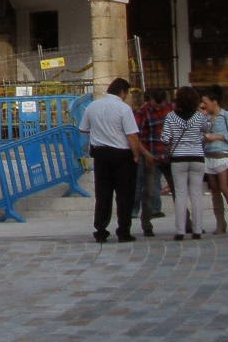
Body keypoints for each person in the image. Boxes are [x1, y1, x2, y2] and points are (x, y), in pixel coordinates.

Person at [77, 77, 146, 244]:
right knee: (125, 195)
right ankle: (124, 230)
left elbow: (83, 129)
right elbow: (131, 135)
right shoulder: (123, 108)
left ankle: (100, 230)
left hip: (101, 155)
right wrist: (136, 155)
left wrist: (101, 131)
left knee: (103, 194)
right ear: (122, 92)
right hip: (122, 155)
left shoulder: (93, 106)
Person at [161, 85, 210, 240]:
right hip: (197, 157)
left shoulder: (171, 116)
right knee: (196, 194)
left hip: (178, 158)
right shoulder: (199, 117)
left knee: (180, 194)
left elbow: (165, 138)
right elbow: (207, 128)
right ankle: (197, 229)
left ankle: (180, 230)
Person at [201, 86, 228, 235]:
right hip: (209, 156)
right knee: (214, 190)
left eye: (206, 102)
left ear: (214, 102)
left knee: (225, 188)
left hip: (222, 156)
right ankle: (220, 222)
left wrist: (218, 137)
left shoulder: (226, 116)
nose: (204, 105)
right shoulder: (205, 118)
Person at [135, 89, 173, 237]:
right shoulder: (143, 112)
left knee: (177, 190)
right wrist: (145, 153)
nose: (158, 108)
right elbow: (135, 136)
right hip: (150, 154)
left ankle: (186, 222)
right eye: (155, 105)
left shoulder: (170, 109)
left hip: (168, 155)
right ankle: (146, 224)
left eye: (160, 105)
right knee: (148, 192)